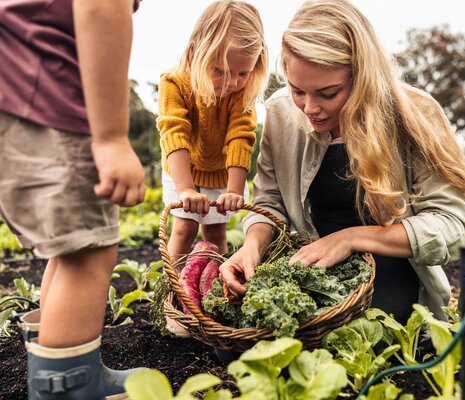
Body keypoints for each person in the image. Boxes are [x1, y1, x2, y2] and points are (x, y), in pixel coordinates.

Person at [219, 0, 465, 323]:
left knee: (360, 330)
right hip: (307, 263)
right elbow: (269, 201)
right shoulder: (282, 112)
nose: (309, 108)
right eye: (298, 90)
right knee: (232, 337)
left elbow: (453, 225)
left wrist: (350, 239)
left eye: (328, 93)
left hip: (387, 269)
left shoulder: (415, 115)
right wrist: (253, 246)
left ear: (362, 77)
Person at [0, 1, 146, 399]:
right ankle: (65, 390)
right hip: (44, 91)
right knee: (88, 253)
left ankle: (59, 370)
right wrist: (112, 137)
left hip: (15, 85)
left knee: (68, 251)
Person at [157, 0, 267, 260]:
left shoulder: (243, 92)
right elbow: (174, 133)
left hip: (221, 173)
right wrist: (185, 189)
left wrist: (234, 191)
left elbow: (240, 138)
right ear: (196, 52)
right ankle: (171, 291)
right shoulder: (174, 83)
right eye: (220, 71)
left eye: (243, 73)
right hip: (183, 168)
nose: (232, 82)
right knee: (184, 228)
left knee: (216, 234)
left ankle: (215, 291)